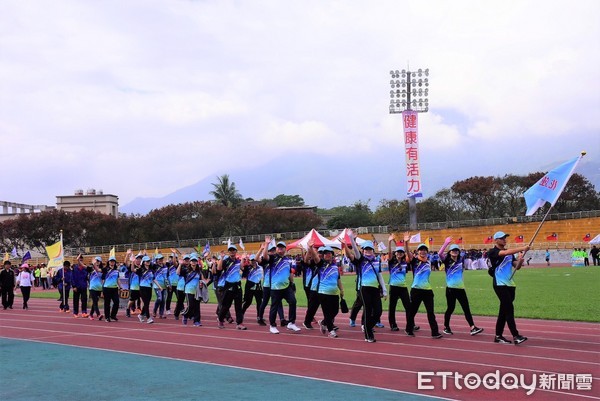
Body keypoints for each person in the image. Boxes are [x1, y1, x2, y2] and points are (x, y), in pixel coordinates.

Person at [340, 233, 386, 343]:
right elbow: (355, 252)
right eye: (366, 249)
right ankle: (368, 335)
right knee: (368, 310)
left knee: (378, 311)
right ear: (363, 250)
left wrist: (384, 290)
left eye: (370, 249)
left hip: (375, 289)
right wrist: (351, 239)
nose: (368, 251)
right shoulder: (360, 260)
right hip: (364, 288)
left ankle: (367, 326)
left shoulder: (376, 260)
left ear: (373, 250)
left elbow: (379, 275)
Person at [487, 231, 530, 345]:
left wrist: (520, 260)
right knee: (509, 310)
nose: (504, 240)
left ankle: (498, 336)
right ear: (496, 240)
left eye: (505, 238)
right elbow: (504, 253)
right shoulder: (493, 252)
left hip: (510, 284)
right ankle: (516, 335)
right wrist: (523, 248)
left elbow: (517, 267)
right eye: (502, 238)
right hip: (500, 284)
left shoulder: (510, 254)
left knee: (503, 311)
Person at [438, 237, 483, 336]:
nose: (455, 252)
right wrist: (446, 243)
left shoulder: (460, 260)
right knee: (450, 308)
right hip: (450, 289)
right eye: (453, 250)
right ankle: (446, 327)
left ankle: (472, 327)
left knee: (466, 308)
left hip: (461, 288)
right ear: (449, 252)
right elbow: (440, 254)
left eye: (456, 250)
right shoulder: (446, 260)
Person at [404, 233, 443, 339]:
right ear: (417, 251)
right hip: (416, 290)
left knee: (431, 312)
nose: (423, 251)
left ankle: (434, 332)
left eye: (424, 249)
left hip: (428, 290)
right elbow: (407, 253)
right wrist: (406, 242)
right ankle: (409, 329)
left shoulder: (429, 262)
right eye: (421, 250)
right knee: (413, 311)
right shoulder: (414, 261)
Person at [261, 236, 301, 334]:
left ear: (285, 249)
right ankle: (272, 325)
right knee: (274, 306)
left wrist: (293, 283)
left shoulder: (288, 260)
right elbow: (265, 256)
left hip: (286, 286)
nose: (280, 249)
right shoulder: (273, 258)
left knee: (293, 302)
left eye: (282, 247)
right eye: (279, 247)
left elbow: (289, 273)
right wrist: (266, 244)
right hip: (275, 287)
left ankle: (291, 322)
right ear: (277, 249)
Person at [307, 243, 344, 338]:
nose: (327, 255)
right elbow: (315, 257)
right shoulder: (320, 264)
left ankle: (324, 322)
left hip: (334, 293)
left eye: (329, 253)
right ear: (323, 255)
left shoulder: (335, 266)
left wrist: (341, 289)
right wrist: (311, 248)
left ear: (332, 254)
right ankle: (331, 331)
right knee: (327, 312)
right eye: (325, 253)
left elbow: (338, 279)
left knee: (335, 311)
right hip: (323, 292)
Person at [386, 234, 419, 334]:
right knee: (392, 307)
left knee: (408, 307)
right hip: (394, 287)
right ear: (395, 253)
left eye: (401, 252)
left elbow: (409, 255)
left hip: (403, 287)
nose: (399, 254)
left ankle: (411, 324)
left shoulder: (406, 262)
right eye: (398, 252)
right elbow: (389, 253)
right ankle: (393, 324)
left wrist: (406, 242)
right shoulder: (391, 262)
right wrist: (389, 242)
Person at [217, 245, 246, 330]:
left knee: (238, 306)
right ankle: (220, 320)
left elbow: (242, 268)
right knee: (226, 305)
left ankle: (239, 323)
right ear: (228, 252)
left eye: (233, 250)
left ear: (236, 251)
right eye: (230, 250)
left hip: (237, 285)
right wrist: (221, 258)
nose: (232, 252)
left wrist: (243, 259)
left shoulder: (237, 261)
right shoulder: (226, 261)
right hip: (228, 285)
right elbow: (219, 268)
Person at [241, 252, 264, 322]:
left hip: (258, 287)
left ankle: (259, 316)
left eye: (254, 260)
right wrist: (243, 259)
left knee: (259, 302)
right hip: (250, 287)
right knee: (248, 302)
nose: (253, 261)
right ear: (250, 260)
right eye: (252, 260)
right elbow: (242, 270)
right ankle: (241, 314)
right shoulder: (247, 267)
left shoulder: (260, 267)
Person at [102, 256, 121, 322]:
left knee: (117, 302)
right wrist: (102, 288)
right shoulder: (105, 269)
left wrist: (120, 286)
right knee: (107, 303)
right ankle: (107, 317)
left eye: (113, 261)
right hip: (107, 288)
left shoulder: (116, 270)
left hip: (114, 288)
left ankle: (113, 315)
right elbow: (103, 279)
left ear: (115, 262)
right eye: (111, 261)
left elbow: (117, 279)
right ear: (109, 262)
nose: (112, 262)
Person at [137, 256, 155, 324]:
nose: (148, 262)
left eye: (149, 261)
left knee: (147, 303)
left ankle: (141, 315)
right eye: (147, 261)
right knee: (146, 303)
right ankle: (148, 318)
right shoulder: (141, 269)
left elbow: (153, 279)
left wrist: (159, 286)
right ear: (144, 262)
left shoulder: (151, 270)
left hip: (149, 288)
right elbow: (132, 270)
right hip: (142, 287)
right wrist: (132, 262)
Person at [152, 254, 168, 319]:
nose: (160, 260)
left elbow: (166, 276)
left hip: (164, 285)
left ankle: (161, 314)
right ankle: (154, 311)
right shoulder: (154, 266)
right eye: (159, 259)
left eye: (161, 259)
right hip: (157, 285)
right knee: (159, 298)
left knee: (163, 300)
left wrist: (168, 285)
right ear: (156, 260)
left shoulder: (165, 267)